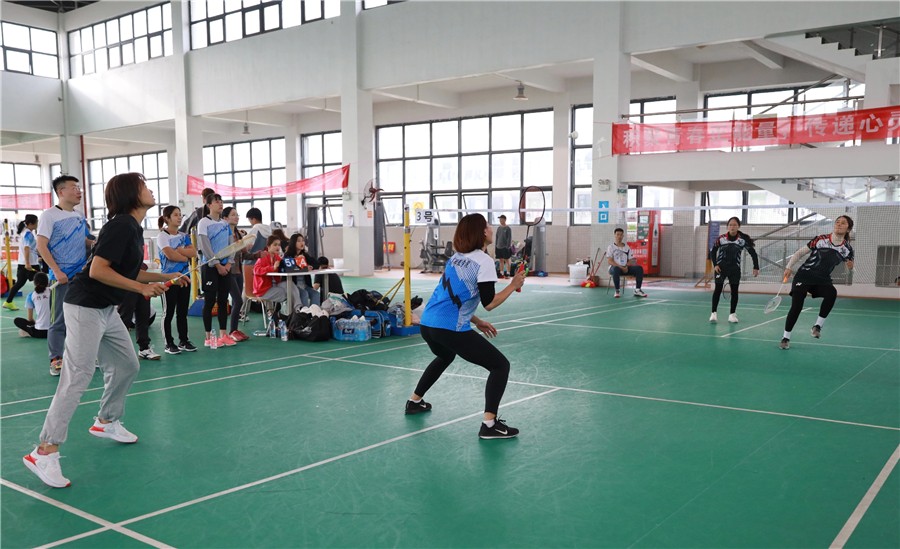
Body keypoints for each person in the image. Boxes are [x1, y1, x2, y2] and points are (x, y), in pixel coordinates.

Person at [23, 172, 187, 489]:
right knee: (78, 375)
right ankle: (44, 450)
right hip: (84, 305)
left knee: (127, 365)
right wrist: (141, 290)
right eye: (144, 186)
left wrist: (164, 278)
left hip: (106, 308)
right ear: (131, 194)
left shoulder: (133, 228)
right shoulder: (121, 225)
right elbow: (98, 270)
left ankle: (106, 421)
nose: (151, 190)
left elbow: (129, 272)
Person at [405, 213, 526, 439]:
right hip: (449, 328)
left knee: (445, 356)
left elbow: (453, 297)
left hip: (428, 324)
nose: (491, 228)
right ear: (481, 232)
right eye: (488, 225)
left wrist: (477, 321)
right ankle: (489, 425)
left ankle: (414, 401)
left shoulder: (456, 258)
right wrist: (513, 285)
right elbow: (490, 303)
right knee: (500, 366)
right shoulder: (484, 261)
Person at [36, 175, 94, 376]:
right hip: (61, 277)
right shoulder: (49, 215)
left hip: (81, 276)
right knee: (59, 320)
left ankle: (82, 357)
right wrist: (57, 271)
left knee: (84, 318)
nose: (79, 191)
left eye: (79, 187)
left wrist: (95, 243)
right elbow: (41, 245)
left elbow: (84, 240)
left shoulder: (79, 215)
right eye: (74, 187)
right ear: (61, 192)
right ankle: (56, 358)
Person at [779, 215, 855, 350]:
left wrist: (850, 268)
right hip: (804, 276)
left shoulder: (847, 249)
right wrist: (789, 267)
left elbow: (850, 272)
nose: (839, 224)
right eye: (837, 222)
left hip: (822, 280)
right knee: (796, 306)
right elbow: (799, 253)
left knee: (832, 293)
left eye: (843, 223)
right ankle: (785, 337)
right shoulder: (820, 240)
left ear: (848, 229)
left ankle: (817, 326)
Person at [197, 193, 237, 348]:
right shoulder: (203, 223)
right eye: (216, 201)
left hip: (226, 267)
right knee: (209, 301)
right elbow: (204, 246)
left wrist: (229, 263)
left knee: (223, 301)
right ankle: (208, 337)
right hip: (210, 267)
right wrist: (217, 264)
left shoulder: (225, 224)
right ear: (209, 205)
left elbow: (231, 244)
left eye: (221, 201)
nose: (220, 204)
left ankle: (223, 335)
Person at [157, 205, 198, 355]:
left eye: (180, 214)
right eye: (175, 215)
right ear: (167, 218)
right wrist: (184, 256)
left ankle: (184, 340)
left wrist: (180, 251)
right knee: (168, 313)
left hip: (185, 278)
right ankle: (169, 343)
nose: (179, 217)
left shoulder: (183, 235)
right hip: (169, 280)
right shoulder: (163, 236)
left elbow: (193, 252)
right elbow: (170, 255)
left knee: (182, 312)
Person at [708, 216, 759, 323]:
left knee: (734, 292)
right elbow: (713, 252)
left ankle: (732, 315)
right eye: (730, 225)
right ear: (727, 226)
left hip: (734, 269)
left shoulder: (742, 240)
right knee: (717, 290)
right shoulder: (721, 239)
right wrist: (715, 265)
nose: (732, 227)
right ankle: (713, 313)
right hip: (720, 269)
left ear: (738, 226)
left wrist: (756, 267)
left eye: (735, 225)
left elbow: (753, 253)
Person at [117, 262, 160, 360]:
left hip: (143, 283)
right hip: (128, 284)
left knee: (144, 314)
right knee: (124, 317)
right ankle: (118, 350)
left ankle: (144, 348)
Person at [253, 235, 302, 313]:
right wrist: (272, 268)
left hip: (275, 285)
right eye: (275, 245)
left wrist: (299, 265)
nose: (278, 247)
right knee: (288, 293)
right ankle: (293, 314)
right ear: (268, 246)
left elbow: (285, 267)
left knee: (290, 285)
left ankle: (298, 309)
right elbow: (256, 270)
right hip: (263, 290)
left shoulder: (277, 257)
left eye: (279, 245)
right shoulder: (262, 257)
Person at [223, 206, 250, 342]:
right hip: (228, 271)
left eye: (237, 214)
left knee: (236, 302)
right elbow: (225, 252)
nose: (236, 217)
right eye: (233, 215)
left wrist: (257, 254)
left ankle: (234, 330)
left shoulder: (238, 234)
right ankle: (231, 331)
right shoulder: (224, 234)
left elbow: (244, 253)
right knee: (238, 300)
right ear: (225, 218)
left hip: (239, 271)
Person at [4, 214, 39, 311]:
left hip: (22, 262)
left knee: (19, 283)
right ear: (31, 223)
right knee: (42, 281)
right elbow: (26, 248)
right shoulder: (28, 234)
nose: (37, 224)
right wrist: (27, 263)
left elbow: (31, 249)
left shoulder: (24, 232)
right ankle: (43, 302)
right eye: (37, 222)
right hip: (30, 263)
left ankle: (8, 302)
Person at [606, 228, 648, 298]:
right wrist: (621, 267)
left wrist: (626, 266)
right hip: (615, 268)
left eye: (621, 235)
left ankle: (637, 290)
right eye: (617, 234)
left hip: (625, 268)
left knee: (639, 268)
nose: (619, 236)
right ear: (615, 235)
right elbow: (610, 261)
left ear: (623, 236)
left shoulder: (627, 247)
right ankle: (617, 291)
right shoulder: (611, 247)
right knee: (616, 269)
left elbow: (631, 260)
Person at [284, 233, 320, 307]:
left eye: (303, 240)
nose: (302, 243)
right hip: (293, 285)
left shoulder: (305, 255)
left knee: (316, 294)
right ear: (293, 243)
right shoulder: (288, 255)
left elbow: (316, 264)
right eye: (299, 241)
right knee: (304, 294)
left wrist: (311, 266)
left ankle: (314, 312)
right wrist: (302, 266)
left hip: (305, 284)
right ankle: (303, 313)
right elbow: (288, 268)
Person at [14, 271, 51, 338]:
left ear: (34, 283)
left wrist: (34, 323)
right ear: (47, 282)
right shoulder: (54, 292)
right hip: (55, 331)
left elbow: (30, 319)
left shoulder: (31, 295)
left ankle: (30, 332)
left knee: (17, 322)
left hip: (39, 332)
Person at [494, 214, 512, 279]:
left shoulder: (508, 228)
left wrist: (508, 246)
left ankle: (508, 273)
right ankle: (501, 273)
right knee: (501, 260)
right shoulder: (499, 228)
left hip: (505, 247)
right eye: (500, 219)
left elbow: (509, 238)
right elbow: (497, 237)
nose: (500, 220)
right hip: (499, 247)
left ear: (504, 220)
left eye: (501, 219)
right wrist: (496, 245)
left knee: (507, 260)